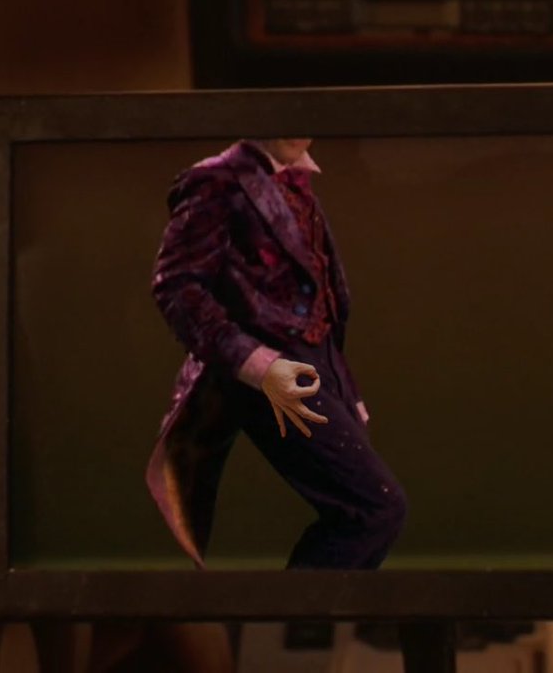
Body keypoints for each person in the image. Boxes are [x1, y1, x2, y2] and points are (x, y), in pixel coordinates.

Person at [145, 138, 406, 570]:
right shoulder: (215, 179)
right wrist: (261, 368)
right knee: (373, 509)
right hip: (267, 370)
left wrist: (345, 386)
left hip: (315, 364)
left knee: (366, 510)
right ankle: (293, 607)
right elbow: (177, 287)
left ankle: (304, 605)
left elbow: (319, 295)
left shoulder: (297, 181)